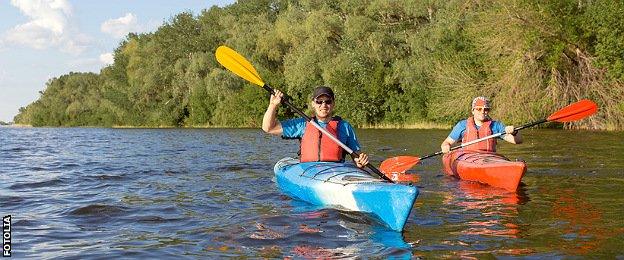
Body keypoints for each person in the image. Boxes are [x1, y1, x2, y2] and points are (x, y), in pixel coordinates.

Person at [262, 86, 369, 168]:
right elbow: (268, 128)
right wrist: (273, 105)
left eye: (328, 101)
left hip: (336, 170)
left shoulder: (344, 126)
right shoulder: (302, 124)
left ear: (333, 104)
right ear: (313, 103)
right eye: (319, 101)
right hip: (309, 170)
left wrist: (360, 161)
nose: (323, 105)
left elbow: (357, 156)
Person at [440, 96, 523, 153]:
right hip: (468, 159)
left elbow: (518, 141)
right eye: (479, 109)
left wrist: (514, 132)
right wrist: (445, 146)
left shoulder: (495, 126)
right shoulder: (462, 125)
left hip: (489, 158)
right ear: (473, 111)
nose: (482, 111)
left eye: (485, 109)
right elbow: (446, 142)